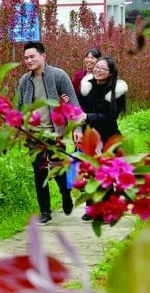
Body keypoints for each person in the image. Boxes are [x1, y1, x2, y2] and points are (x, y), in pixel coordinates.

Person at [18, 41, 83, 225]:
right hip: (34, 134)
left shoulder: (58, 76)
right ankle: (45, 211)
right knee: (39, 172)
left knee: (57, 168)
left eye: (32, 57)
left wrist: (77, 128)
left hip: (55, 133)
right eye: (26, 58)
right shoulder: (25, 80)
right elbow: (19, 107)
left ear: (43, 56)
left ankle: (65, 193)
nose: (28, 60)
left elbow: (74, 105)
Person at [79, 56, 128, 221]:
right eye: (97, 67)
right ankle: (91, 208)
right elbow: (80, 112)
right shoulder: (87, 87)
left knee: (105, 174)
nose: (98, 70)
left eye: (103, 68)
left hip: (108, 136)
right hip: (90, 135)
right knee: (89, 172)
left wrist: (89, 116)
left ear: (111, 73)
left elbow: (110, 116)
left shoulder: (117, 91)